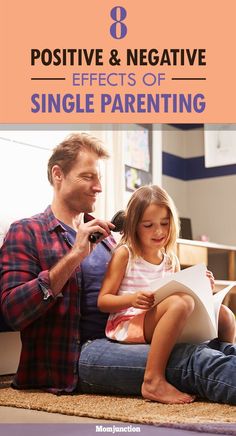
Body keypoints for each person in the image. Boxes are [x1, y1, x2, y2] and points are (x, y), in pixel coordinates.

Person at [0, 133, 236, 405]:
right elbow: (13, 311)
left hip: (130, 337)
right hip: (77, 354)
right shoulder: (27, 231)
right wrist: (74, 256)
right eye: (88, 176)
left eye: (99, 178)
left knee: (220, 348)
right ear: (58, 175)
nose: (99, 187)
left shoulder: (109, 239)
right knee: (194, 361)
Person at [98, 185, 236, 404]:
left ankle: (224, 357)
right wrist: (131, 299)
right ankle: (152, 380)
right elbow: (103, 301)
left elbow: (182, 291)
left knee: (226, 315)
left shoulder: (170, 259)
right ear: (134, 226)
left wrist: (202, 286)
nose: (159, 231)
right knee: (180, 304)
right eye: (148, 225)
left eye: (164, 223)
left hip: (162, 318)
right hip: (128, 323)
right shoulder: (125, 254)